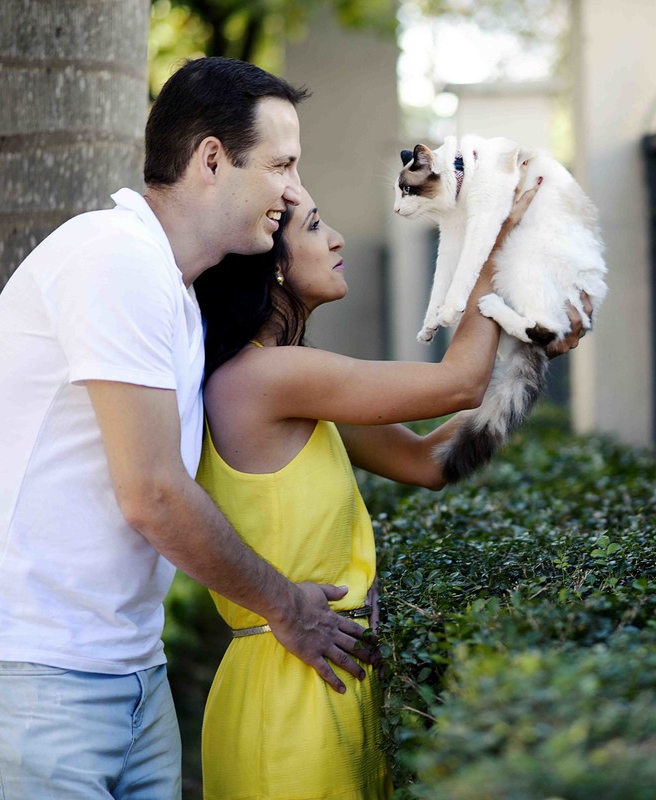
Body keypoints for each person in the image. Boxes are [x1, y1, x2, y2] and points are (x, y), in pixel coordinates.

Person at [0, 57, 375, 799]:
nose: (295, 192)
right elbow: (152, 494)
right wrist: (286, 608)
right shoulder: (116, 260)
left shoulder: (170, 291)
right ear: (212, 157)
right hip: (32, 672)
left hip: (130, 673)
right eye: (282, 166)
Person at [192, 171, 584, 798]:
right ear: (274, 267)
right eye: (315, 227)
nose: (338, 238)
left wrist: (528, 359)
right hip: (290, 697)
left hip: (324, 675)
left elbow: (430, 462)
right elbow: (456, 383)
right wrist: (494, 245)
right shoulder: (267, 378)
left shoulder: (288, 387)